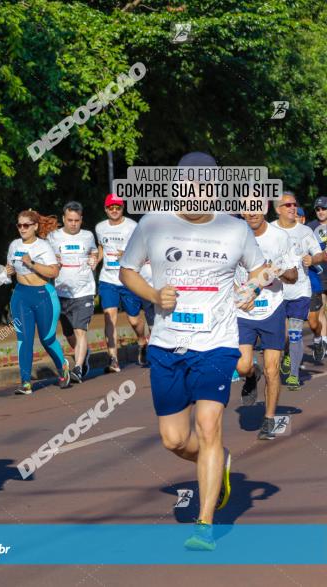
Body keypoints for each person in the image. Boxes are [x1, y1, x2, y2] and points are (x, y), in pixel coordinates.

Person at [119, 151, 268, 551]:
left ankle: (204, 525)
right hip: (168, 344)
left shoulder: (235, 229)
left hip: (216, 343)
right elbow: (126, 270)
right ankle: (219, 462)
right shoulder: (154, 223)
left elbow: (260, 269)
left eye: (205, 184)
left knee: (209, 426)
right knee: (172, 439)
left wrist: (250, 290)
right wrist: (153, 294)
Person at [235, 213, 297, 440]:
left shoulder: (279, 237)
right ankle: (252, 375)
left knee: (273, 369)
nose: (252, 212)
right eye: (247, 206)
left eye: (256, 206)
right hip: (243, 310)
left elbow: (293, 274)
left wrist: (280, 271)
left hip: (272, 310)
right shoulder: (233, 233)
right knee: (242, 366)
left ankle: (269, 419)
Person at [6, 210, 72, 394]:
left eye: (26, 225)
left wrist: (31, 263)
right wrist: (7, 272)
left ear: (35, 226)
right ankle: (25, 382)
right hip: (20, 296)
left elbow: (53, 272)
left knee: (47, 338)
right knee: (23, 338)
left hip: (43, 295)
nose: (22, 229)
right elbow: (9, 267)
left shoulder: (43, 246)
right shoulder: (14, 245)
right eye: (19, 225)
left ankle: (62, 367)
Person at [271, 193, 323, 391]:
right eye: (288, 205)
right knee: (281, 335)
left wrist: (313, 259)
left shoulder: (305, 232)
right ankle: (285, 354)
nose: (293, 208)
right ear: (278, 209)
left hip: (300, 290)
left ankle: (293, 375)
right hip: (276, 292)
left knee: (295, 334)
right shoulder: (270, 230)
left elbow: (319, 254)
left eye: (295, 204)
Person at [95, 194, 149, 372]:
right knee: (109, 317)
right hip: (107, 279)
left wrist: (126, 254)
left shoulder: (133, 226)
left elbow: (142, 249)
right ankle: (113, 360)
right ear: (106, 209)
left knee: (134, 321)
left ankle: (142, 341)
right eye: (111, 207)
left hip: (128, 277)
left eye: (117, 207)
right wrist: (96, 259)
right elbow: (101, 248)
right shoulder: (100, 227)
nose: (114, 210)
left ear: (122, 208)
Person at [47, 201, 98, 383]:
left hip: (84, 290)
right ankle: (83, 355)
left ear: (81, 219)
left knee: (80, 330)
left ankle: (77, 368)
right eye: (69, 220)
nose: (73, 223)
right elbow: (45, 259)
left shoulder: (87, 236)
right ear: (63, 219)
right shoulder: (53, 237)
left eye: (76, 220)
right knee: (69, 334)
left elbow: (94, 252)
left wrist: (94, 259)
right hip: (61, 292)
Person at [305, 196, 327, 360]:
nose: (320, 212)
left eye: (323, 209)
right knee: (321, 311)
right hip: (319, 275)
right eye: (318, 209)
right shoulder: (310, 228)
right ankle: (324, 342)